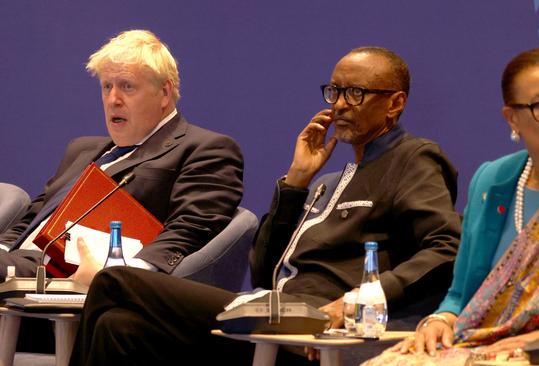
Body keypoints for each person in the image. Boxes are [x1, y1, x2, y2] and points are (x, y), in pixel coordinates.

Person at [68, 46, 462, 365]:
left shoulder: (413, 159)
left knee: (115, 281)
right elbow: (262, 270)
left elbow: (445, 247)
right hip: (274, 313)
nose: (340, 105)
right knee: (119, 327)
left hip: (317, 324)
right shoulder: (327, 183)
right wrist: (296, 182)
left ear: (395, 104)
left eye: (356, 93)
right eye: (335, 91)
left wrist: (363, 298)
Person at [363, 48, 539, 365]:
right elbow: (460, 295)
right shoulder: (492, 181)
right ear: (512, 118)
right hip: (488, 345)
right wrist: (440, 320)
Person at [0, 29, 244, 286]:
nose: (113, 99)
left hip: (73, 271)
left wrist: (117, 276)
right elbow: (34, 217)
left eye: (127, 86)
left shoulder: (205, 150)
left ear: (164, 93)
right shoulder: (81, 150)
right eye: (107, 87)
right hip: (20, 269)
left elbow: (189, 230)